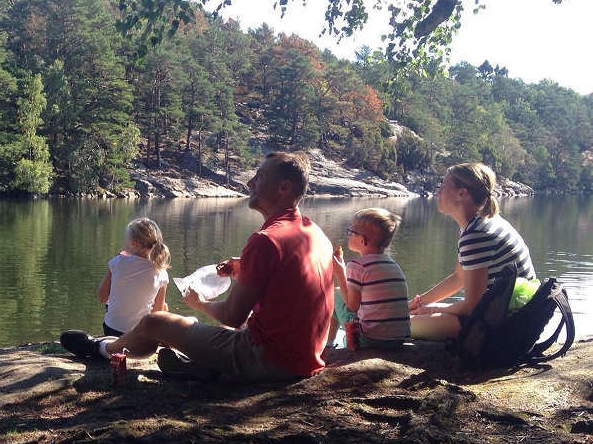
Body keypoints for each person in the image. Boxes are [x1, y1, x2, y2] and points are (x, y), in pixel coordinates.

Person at [60, 151, 335, 382]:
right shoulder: (315, 234)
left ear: (284, 188)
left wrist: (199, 302)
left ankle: (100, 348)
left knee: (156, 321)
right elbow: (290, 285)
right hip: (304, 357)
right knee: (205, 331)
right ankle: (200, 366)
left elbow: (231, 315)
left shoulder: (267, 240)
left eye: (259, 176)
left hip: (268, 360)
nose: (250, 182)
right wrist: (247, 267)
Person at [409, 162, 536, 341]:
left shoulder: (476, 235)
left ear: (462, 193)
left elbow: (471, 306)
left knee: (396, 326)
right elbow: (459, 278)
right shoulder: (481, 223)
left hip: (499, 328)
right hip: (510, 319)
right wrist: (418, 303)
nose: (438, 192)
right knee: (409, 316)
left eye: (444, 186)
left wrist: (432, 310)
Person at [329, 208, 410, 349]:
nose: (348, 234)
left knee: (334, 295)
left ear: (362, 240)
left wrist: (340, 273)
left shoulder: (356, 266)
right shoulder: (393, 264)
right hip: (398, 341)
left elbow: (352, 306)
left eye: (351, 232)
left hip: (368, 340)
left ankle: (330, 344)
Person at [98, 217, 171, 337]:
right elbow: (156, 313)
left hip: (112, 330)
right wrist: (163, 308)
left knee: (110, 305)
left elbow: (102, 297)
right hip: (140, 334)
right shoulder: (161, 272)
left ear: (133, 242)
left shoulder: (117, 262)